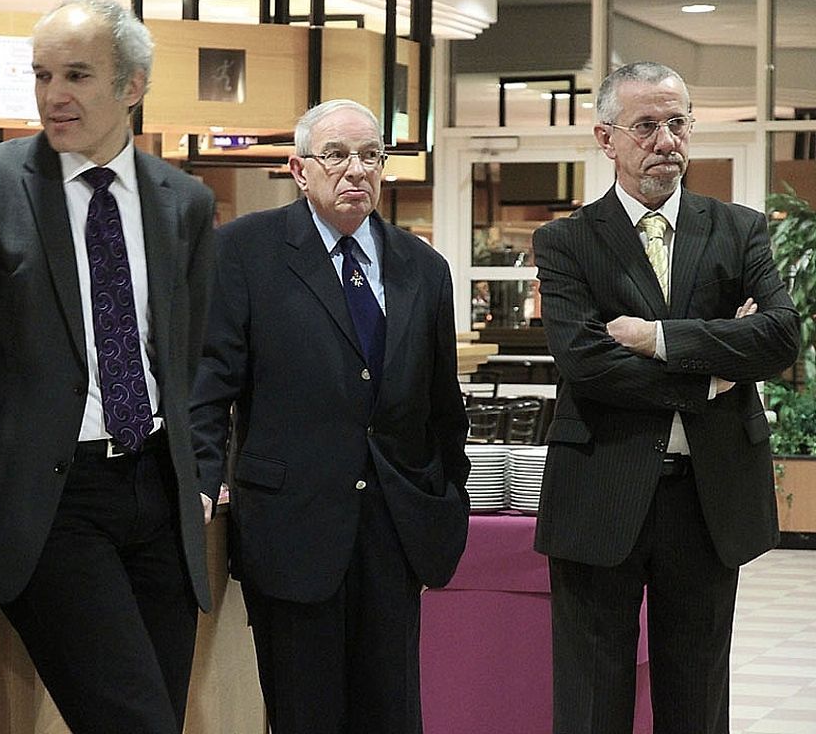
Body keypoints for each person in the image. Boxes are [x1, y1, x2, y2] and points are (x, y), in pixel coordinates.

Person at [0, 0, 214, 734]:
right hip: (48, 500)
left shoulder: (185, 201)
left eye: (76, 75)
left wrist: (200, 473)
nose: (54, 96)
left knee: (160, 717)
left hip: (157, 493)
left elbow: (190, 357)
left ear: (132, 85)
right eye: (42, 75)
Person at [532, 61, 800, 734]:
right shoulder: (565, 241)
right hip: (600, 486)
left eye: (677, 123)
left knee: (697, 699)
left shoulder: (739, 228)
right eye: (646, 125)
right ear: (606, 137)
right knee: (592, 701)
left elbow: (778, 339)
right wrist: (712, 371)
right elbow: (585, 362)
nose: (666, 141)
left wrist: (657, 338)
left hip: (708, 496)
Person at [190, 98, 471, 734]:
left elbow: (442, 408)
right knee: (305, 715)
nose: (356, 170)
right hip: (290, 529)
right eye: (337, 155)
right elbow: (209, 384)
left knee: (392, 717)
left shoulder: (423, 268)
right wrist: (199, 480)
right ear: (299, 169)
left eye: (371, 156)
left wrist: (447, 502)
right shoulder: (244, 251)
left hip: (394, 532)